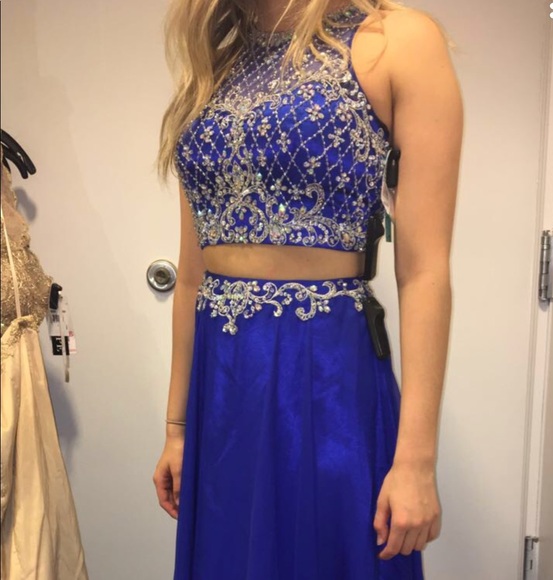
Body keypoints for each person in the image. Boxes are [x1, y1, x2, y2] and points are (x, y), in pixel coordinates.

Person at [153, 0, 463, 578]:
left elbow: (424, 271)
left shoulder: (396, 41)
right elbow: (192, 276)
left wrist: (416, 463)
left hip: (325, 380)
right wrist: (177, 428)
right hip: (223, 390)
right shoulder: (217, 65)